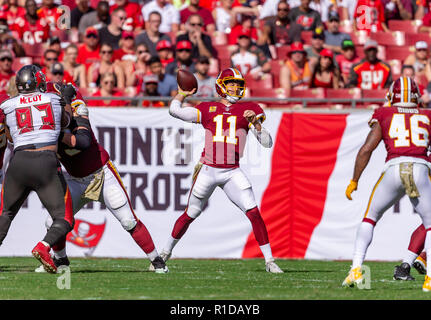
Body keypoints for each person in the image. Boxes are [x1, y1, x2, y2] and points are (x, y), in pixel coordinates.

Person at [156, 67, 283, 273]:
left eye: (238, 84)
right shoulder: (207, 108)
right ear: (221, 85)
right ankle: (163, 254)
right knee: (191, 213)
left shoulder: (250, 108)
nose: (235, 87)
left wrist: (256, 125)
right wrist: (182, 93)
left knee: (253, 212)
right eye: (231, 83)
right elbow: (174, 110)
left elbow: (268, 143)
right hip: (208, 169)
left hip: (232, 171)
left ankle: (269, 261)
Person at [34, 83, 168, 273]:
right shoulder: (42, 123)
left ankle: (157, 261)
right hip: (74, 179)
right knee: (52, 222)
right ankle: (61, 261)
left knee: (128, 220)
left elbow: (83, 141)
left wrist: (54, 133)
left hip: (101, 174)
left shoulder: (76, 108)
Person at [342, 76, 431, 292]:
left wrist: (354, 180)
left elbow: (366, 149)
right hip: (420, 168)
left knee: (370, 218)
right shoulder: (427, 115)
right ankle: (429, 279)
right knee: (430, 224)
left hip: (393, 169)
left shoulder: (384, 113)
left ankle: (356, 268)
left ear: (392, 96)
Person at [0, 65, 74, 274]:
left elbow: (7, 132)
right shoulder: (53, 98)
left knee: (5, 214)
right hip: (45, 161)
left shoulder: (7, 104)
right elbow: (66, 121)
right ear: (39, 81)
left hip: (19, 162)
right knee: (65, 218)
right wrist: (67, 99)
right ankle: (43, 246)